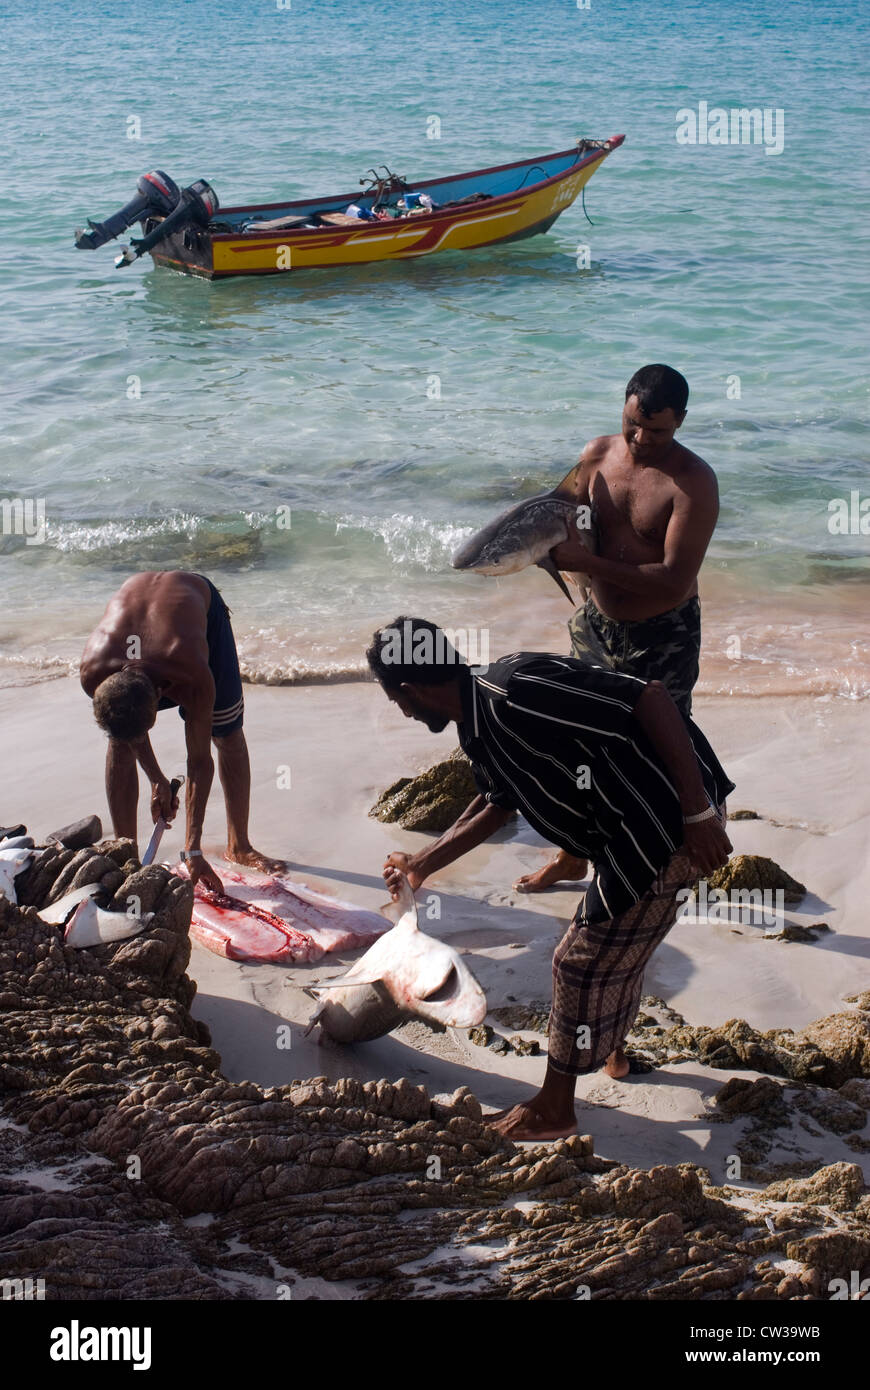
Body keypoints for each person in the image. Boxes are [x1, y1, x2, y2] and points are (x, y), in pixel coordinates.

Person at [369, 616, 733, 1142]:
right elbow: (496, 801)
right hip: (617, 828)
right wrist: (422, 863)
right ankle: (614, 1053)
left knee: (578, 962)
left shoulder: (518, 690)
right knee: (615, 944)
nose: (401, 712)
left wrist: (698, 813)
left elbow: (650, 697)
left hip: (666, 822)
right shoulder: (476, 721)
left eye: (397, 702)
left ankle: (554, 1109)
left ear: (410, 690)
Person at [514, 363, 720, 895]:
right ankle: (572, 855)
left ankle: (669, 860)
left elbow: (674, 578)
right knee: (580, 742)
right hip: (595, 625)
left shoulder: (693, 483)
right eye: (633, 423)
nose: (641, 438)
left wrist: (590, 563)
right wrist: (525, 547)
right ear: (624, 406)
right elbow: (562, 520)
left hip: (663, 633)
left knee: (665, 747)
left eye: (658, 431)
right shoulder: (596, 456)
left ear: (681, 423)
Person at [80, 571, 283, 892]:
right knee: (119, 743)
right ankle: (126, 854)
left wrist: (193, 847)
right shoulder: (94, 674)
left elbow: (199, 761)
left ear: (163, 693)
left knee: (226, 733)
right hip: (139, 605)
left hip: (198, 604)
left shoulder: (191, 673)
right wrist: (157, 779)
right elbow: (127, 730)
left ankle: (239, 845)